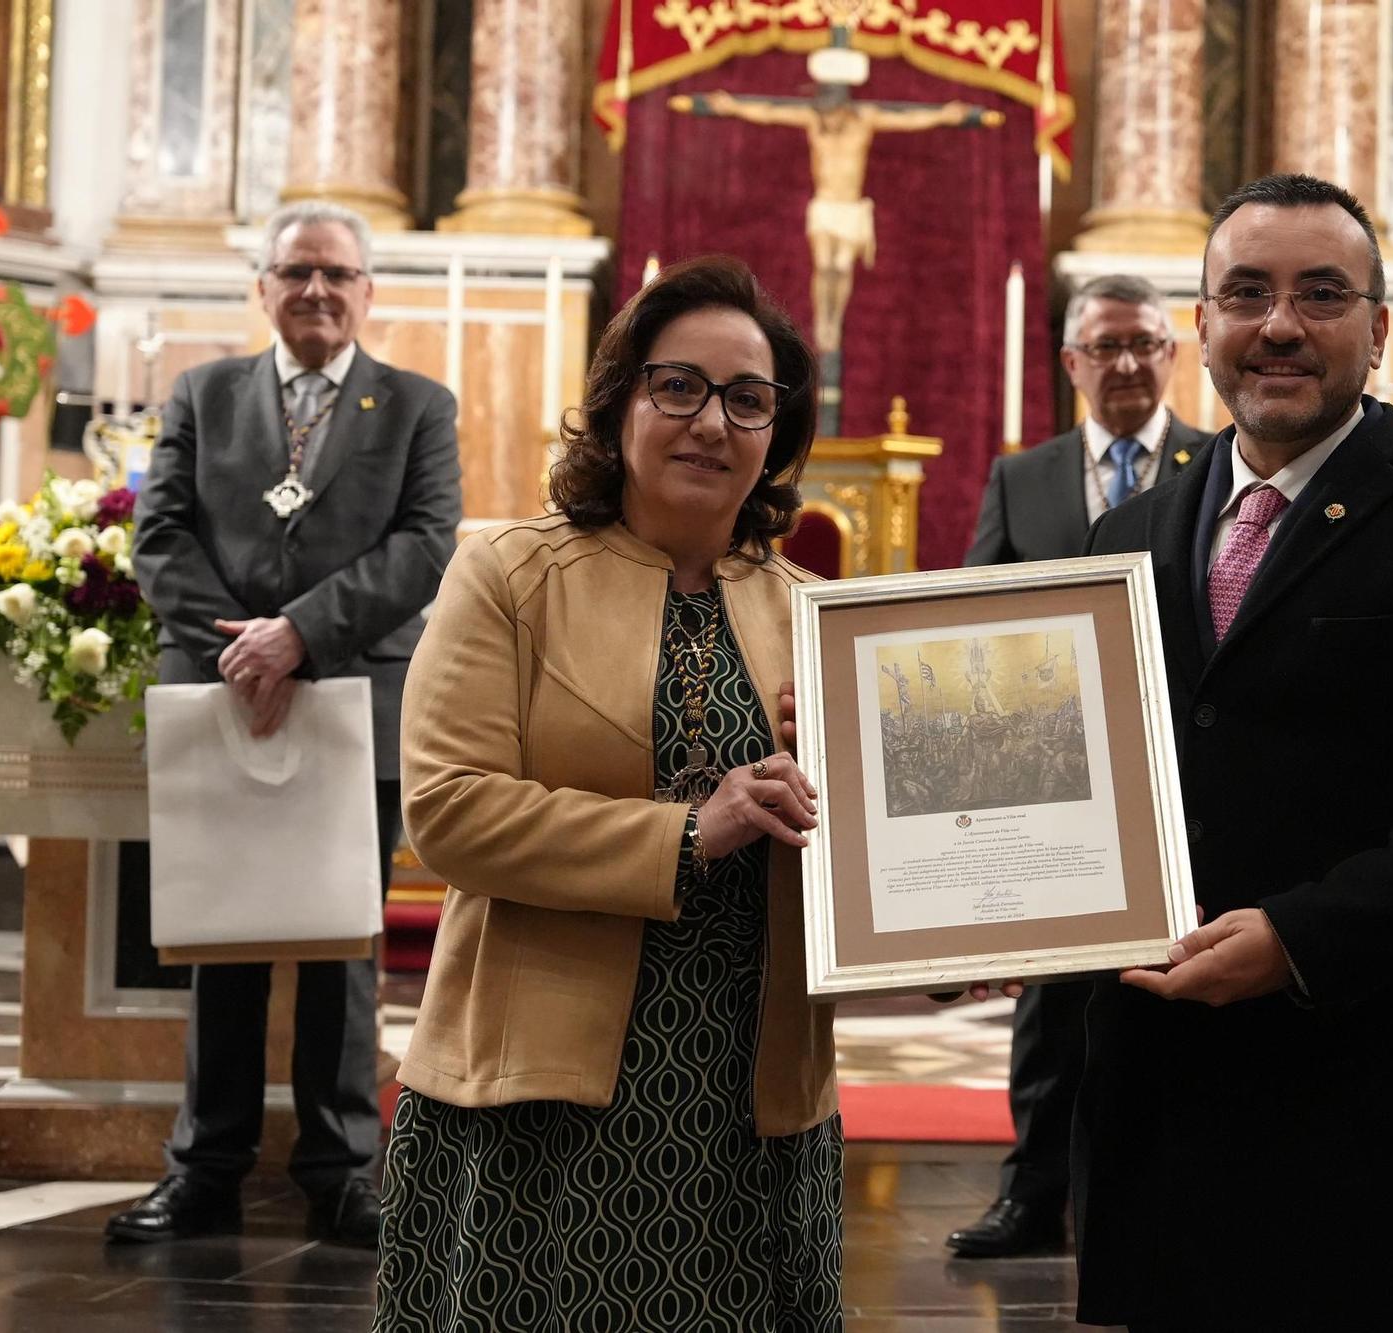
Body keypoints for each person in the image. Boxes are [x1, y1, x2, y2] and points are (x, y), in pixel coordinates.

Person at [1074, 173, 1393, 1330]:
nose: (1279, 325)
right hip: (1165, 1117)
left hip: (1373, 1112)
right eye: (1245, 293)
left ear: (1376, 329)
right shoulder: (1123, 535)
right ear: (1199, 323)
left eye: (1320, 294)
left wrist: (1299, 938)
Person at [375, 255, 842, 1330]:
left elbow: (851, 838)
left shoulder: (816, 612)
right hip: (548, 1086)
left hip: (751, 1087)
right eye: (677, 386)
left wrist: (947, 923)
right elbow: (447, 809)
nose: (710, 423)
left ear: (777, 429)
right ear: (619, 398)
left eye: (746, 399)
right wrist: (690, 830)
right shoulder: (508, 575)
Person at [109, 201, 463, 1248]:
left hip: (352, 695)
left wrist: (298, 636)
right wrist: (241, 644)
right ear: (260, 286)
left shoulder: (414, 405)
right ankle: (204, 1169)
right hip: (220, 694)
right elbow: (158, 531)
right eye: (295, 271)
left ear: (367, 291)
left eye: (336, 274)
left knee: (341, 946)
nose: (316, 290)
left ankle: (342, 1170)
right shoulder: (201, 393)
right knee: (221, 934)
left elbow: (424, 544)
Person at [949, 273, 1210, 1260]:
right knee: (1051, 1002)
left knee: (1171, 991)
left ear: (1172, 352)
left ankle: (1167, 1193)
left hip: (1183, 774)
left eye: (1144, 342)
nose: (1127, 363)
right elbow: (974, 616)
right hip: (1054, 774)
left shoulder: (1215, 466)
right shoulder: (1025, 476)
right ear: (1070, 362)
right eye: (1105, 346)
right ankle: (1033, 1194)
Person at [671, 86, 1002, 356]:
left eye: (833, 115)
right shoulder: (814, 121)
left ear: (844, 109)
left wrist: (944, 115)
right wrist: (730, 106)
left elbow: (907, 119)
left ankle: (835, 320)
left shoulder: (865, 120)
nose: (828, 121)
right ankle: (823, 325)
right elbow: (770, 112)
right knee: (825, 265)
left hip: (851, 208)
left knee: (842, 267)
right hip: (826, 205)